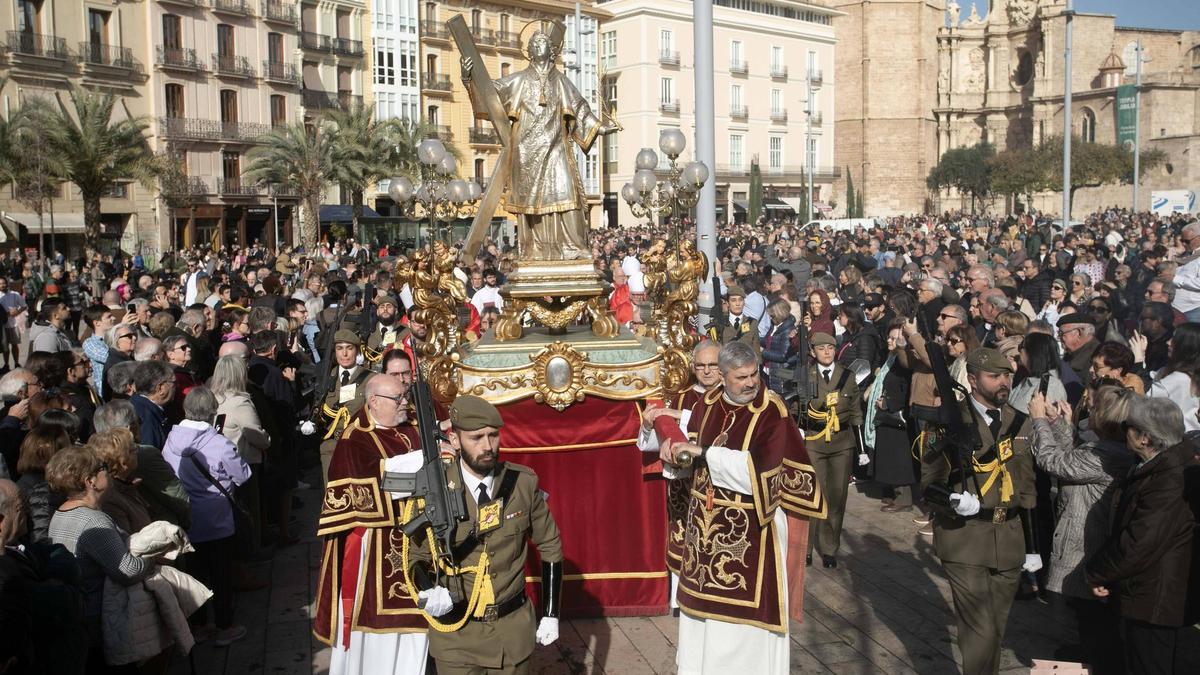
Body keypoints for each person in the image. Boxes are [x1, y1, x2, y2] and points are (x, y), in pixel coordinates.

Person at [642, 341, 825, 675]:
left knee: (745, 634)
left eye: (754, 374)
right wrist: (676, 454)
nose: (751, 383)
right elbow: (691, 457)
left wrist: (705, 453)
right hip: (705, 537)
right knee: (701, 620)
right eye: (741, 377)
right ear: (723, 377)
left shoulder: (772, 411)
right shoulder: (708, 403)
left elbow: (763, 472)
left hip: (753, 535)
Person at [408, 395, 564, 675]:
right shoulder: (434, 490)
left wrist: (551, 613)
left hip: (512, 635)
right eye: (476, 437)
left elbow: (550, 544)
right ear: (454, 440)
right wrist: (427, 588)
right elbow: (417, 554)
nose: (487, 446)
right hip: (456, 635)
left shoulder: (522, 483)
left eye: (493, 435)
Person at [925, 348, 1040, 675]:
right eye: (994, 376)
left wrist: (1032, 546)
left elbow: (1027, 486)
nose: (1003, 382)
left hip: (1009, 539)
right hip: (965, 538)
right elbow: (929, 481)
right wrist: (952, 500)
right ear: (973, 380)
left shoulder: (1020, 421)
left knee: (996, 627)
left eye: (1007, 376)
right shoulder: (948, 421)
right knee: (979, 629)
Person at [313, 373, 429, 675]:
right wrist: (425, 462)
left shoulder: (410, 428)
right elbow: (364, 487)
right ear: (374, 401)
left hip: (417, 540)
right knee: (373, 635)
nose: (405, 404)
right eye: (398, 399)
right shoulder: (354, 439)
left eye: (405, 396)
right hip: (374, 549)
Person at [1028, 386, 1134, 674]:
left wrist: (1038, 420)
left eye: (1096, 408)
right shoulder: (1109, 449)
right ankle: (1084, 661)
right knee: (1091, 625)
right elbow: (1075, 457)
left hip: (1090, 547)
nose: (1090, 410)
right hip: (1093, 546)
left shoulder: (1108, 455)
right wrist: (1060, 423)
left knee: (1096, 629)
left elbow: (1054, 462)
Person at [1086, 396, 1194, 675]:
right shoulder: (1157, 467)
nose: (1123, 430)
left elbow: (1139, 541)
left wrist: (1098, 572)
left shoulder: (1170, 478)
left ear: (1145, 437)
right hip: (1145, 592)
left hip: (1156, 600)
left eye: (1127, 426)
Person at [46, 445, 157, 670]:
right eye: (103, 468)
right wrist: (153, 554)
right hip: (100, 627)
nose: (108, 471)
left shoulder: (59, 514)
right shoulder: (94, 521)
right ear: (91, 481)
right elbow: (128, 571)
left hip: (82, 623)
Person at [162, 386, 251, 646]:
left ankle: (200, 625)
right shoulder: (218, 442)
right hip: (218, 518)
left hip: (188, 516)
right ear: (213, 412)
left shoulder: (171, 439)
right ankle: (224, 625)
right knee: (221, 573)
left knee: (195, 573)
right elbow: (242, 475)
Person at [637, 340, 722, 607]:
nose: (707, 371)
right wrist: (650, 426)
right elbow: (657, 443)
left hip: (718, 485)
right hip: (685, 486)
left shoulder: (731, 395)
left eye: (713, 365)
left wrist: (677, 413)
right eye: (701, 366)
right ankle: (681, 599)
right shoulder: (684, 395)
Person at [93, 400, 191, 530]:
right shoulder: (144, 454)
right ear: (130, 428)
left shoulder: (94, 459)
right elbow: (178, 498)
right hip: (159, 531)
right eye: (139, 421)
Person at [317, 330, 372, 480]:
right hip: (331, 444)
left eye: (349, 348)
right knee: (332, 495)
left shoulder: (370, 379)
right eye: (340, 348)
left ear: (357, 351)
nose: (345, 354)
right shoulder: (326, 378)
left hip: (359, 444)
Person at [90, 428, 152, 537]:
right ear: (122, 460)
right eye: (134, 449)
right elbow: (127, 542)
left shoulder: (125, 484)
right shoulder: (110, 499)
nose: (138, 451)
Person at [1147, 322, 1200, 433]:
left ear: (1186, 346)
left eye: (1174, 340)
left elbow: (1145, 402)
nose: (1168, 342)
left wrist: (1137, 361)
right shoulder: (1190, 375)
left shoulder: (1179, 380)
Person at [129, 360, 175, 450]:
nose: (176, 387)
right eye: (173, 382)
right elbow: (149, 458)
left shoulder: (135, 404)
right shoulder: (147, 422)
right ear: (160, 388)